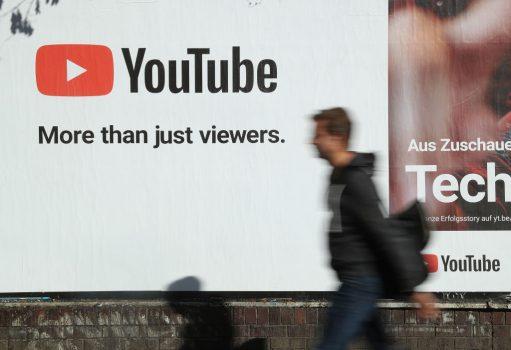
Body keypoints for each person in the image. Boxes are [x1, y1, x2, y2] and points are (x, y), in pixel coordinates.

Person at [312, 107, 438, 350]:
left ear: (337, 137)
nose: (313, 141)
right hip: (355, 278)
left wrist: (413, 288)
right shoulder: (338, 175)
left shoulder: (356, 181)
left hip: (360, 281)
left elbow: (383, 232)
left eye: (319, 134)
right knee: (380, 345)